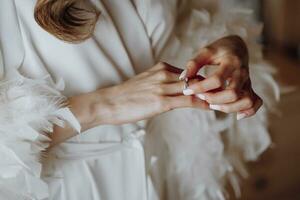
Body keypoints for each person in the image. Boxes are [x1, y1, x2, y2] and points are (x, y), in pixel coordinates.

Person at [0, 0, 279, 199]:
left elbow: (186, 18)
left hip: (162, 172)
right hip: (64, 186)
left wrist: (229, 46)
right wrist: (105, 105)